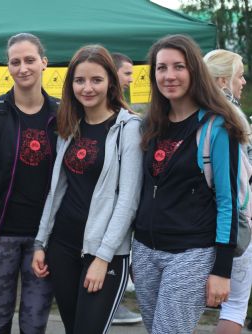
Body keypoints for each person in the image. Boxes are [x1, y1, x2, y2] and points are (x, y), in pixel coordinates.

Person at [132, 34, 247, 334]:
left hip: (191, 253)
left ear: (194, 70)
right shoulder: (151, 124)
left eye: (178, 67)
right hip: (144, 251)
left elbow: (228, 201)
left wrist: (222, 270)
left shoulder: (218, 126)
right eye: (161, 68)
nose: (169, 75)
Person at [32, 45, 143, 334]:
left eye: (96, 80)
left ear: (111, 82)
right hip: (62, 247)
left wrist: (103, 257)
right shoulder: (70, 125)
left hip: (104, 252)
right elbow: (57, 190)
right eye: (80, 80)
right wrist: (41, 243)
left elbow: (128, 201)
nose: (87, 88)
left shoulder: (129, 128)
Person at [0, 33, 58, 333]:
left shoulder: (62, 113)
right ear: (7, 66)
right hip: (0, 236)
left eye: (30, 60)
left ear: (44, 63)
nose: (23, 68)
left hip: (43, 238)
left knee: (35, 324)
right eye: (15, 62)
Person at [203, 49, 251, 334]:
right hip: (237, 222)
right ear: (223, 81)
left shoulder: (193, 115)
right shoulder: (230, 120)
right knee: (235, 305)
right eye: (240, 75)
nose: (243, 81)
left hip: (196, 223)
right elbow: (238, 185)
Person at [109, 52, 144, 326]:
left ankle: (115, 303)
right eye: (128, 73)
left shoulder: (130, 120)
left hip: (121, 211)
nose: (131, 79)